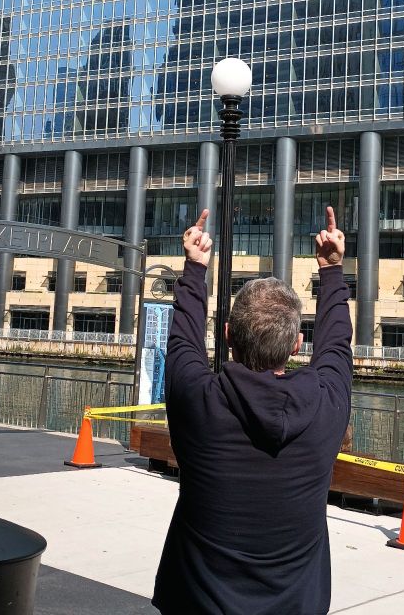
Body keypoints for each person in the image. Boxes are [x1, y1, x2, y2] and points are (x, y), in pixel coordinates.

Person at [152, 206, 352, 615]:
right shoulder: (324, 405)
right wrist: (331, 269)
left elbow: (184, 340)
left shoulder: (199, 400)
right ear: (297, 344)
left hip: (196, 603)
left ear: (227, 337)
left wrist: (195, 267)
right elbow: (336, 345)